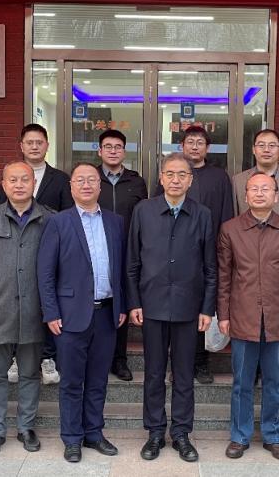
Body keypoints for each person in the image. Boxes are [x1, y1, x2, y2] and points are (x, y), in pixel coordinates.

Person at [128, 153, 216, 463]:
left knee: (184, 374)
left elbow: (210, 266)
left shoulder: (202, 214)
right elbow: (132, 262)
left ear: (190, 180)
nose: (176, 179)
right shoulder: (143, 210)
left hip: (188, 307)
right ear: (161, 178)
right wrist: (134, 301)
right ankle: (155, 432)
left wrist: (207, 308)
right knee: (153, 373)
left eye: (182, 175)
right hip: (151, 305)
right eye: (170, 174)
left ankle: (181, 433)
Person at [37, 163, 128, 463]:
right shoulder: (58, 222)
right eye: (80, 180)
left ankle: (94, 433)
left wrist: (122, 306)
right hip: (69, 316)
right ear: (71, 186)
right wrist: (50, 312)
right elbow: (45, 272)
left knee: (98, 380)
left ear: (100, 186)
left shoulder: (115, 222)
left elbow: (122, 268)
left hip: (107, 315)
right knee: (72, 382)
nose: (86, 185)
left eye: (92, 180)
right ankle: (72, 438)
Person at [217, 172, 279, 461]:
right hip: (242, 316)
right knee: (242, 382)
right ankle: (239, 436)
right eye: (253, 189)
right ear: (245, 196)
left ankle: (273, 435)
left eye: (265, 189)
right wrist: (223, 314)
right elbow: (224, 276)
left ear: (276, 196)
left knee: (274, 381)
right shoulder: (230, 229)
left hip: (278, 317)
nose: (259, 193)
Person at [0, 162, 52, 456]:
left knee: (29, 374)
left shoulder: (49, 219)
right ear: (3, 184)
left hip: (34, 310)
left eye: (24, 179)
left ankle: (26, 427)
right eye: (12, 180)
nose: (19, 185)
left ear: (33, 183)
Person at [160, 125, 234, 385]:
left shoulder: (219, 177)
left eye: (199, 142)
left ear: (207, 148)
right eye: (189, 141)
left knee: (204, 309)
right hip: (174, 254)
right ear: (181, 146)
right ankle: (176, 365)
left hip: (208, 253)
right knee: (175, 311)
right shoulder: (171, 176)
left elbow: (227, 214)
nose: (194, 146)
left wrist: (223, 248)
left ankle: (201, 363)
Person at [16, 123, 73, 386]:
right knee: (20, 304)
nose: (34, 146)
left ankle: (48, 357)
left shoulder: (60, 178)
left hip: (49, 249)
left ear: (47, 145)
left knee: (48, 302)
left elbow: (67, 215)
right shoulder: (13, 175)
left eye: (39, 142)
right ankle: (17, 355)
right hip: (17, 250)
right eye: (29, 142)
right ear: (22, 146)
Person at [97, 129, 148, 382]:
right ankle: (98, 359)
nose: (113, 151)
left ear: (124, 151)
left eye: (118, 147)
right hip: (95, 250)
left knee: (121, 305)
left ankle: (119, 360)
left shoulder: (136, 182)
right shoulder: (91, 178)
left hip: (127, 252)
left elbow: (144, 217)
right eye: (108, 146)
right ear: (100, 151)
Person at [232, 128, 279, 235]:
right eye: (261, 145)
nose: (266, 150)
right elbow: (235, 217)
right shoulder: (238, 181)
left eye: (272, 145)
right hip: (246, 242)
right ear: (253, 149)